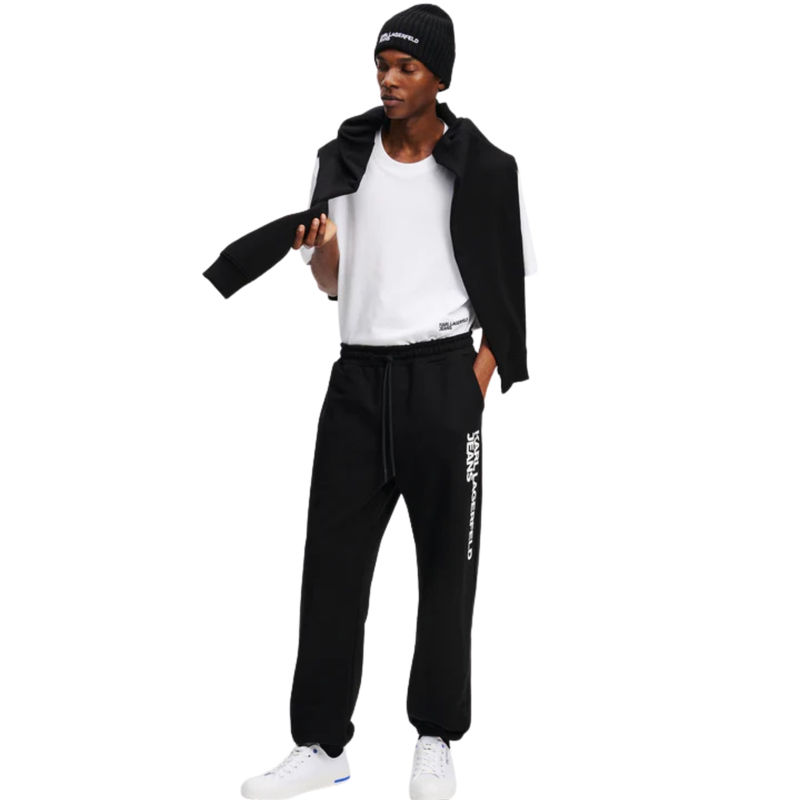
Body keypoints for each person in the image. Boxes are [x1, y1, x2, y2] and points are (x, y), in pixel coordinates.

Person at [218, 6, 538, 799]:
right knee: (331, 571)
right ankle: (322, 745)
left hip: (443, 379)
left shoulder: (488, 170)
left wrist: (474, 384)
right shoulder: (343, 159)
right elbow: (333, 286)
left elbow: (509, 289)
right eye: (382, 66)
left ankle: (435, 738)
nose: (389, 81)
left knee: (448, 572)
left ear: (440, 78)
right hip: (357, 383)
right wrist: (324, 249)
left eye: (406, 68)